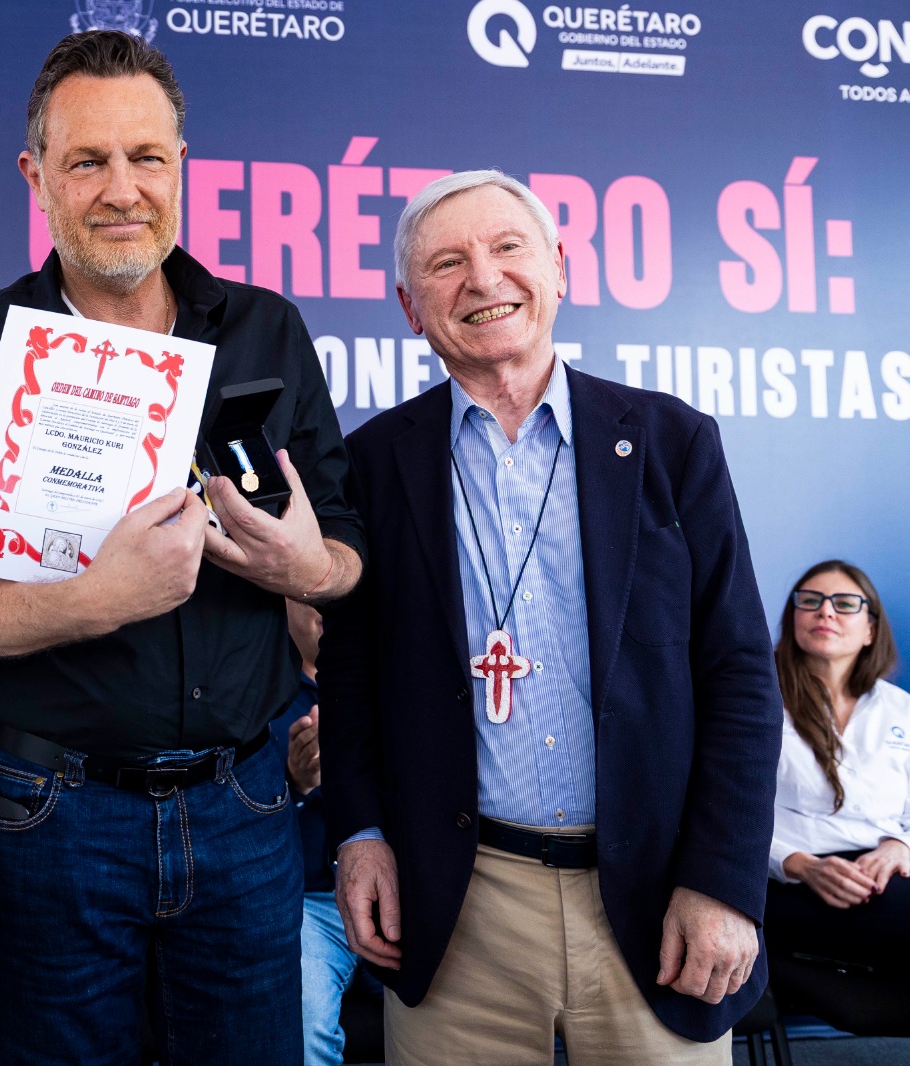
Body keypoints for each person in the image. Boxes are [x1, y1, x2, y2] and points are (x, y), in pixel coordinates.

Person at [0, 30, 363, 1066]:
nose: (123, 188)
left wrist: (304, 568)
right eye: (87, 160)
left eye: (146, 157)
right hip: (46, 817)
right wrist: (98, 596)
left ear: (181, 168)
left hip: (246, 807)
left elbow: (343, 549)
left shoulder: (264, 329)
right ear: (35, 177)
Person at [319, 169, 782, 1064]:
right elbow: (352, 671)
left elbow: (738, 674)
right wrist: (360, 834)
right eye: (447, 264)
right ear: (412, 308)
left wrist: (723, 883)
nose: (483, 280)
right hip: (458, 910)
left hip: (655, 904)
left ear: (559, 268)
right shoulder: (373, 462)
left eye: (506, 248)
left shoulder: (671, 442)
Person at [766, 561, 910, 980]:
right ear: (793, 619)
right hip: (791, 883)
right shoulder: (756, 698)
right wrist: (799, 864)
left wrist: (900, 849)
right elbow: (722, 814)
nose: (826, 612)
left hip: (887, 882)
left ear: (871, 629)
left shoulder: (900, 708)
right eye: (811, 601)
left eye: (845, 603)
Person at [272, 599, 374, 1066]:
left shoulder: (394, 676)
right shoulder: (261, 691)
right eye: (307, 589)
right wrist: (296, 784)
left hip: (398, 897)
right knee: (303, 1028)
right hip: (309, 905)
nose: (324, 602)